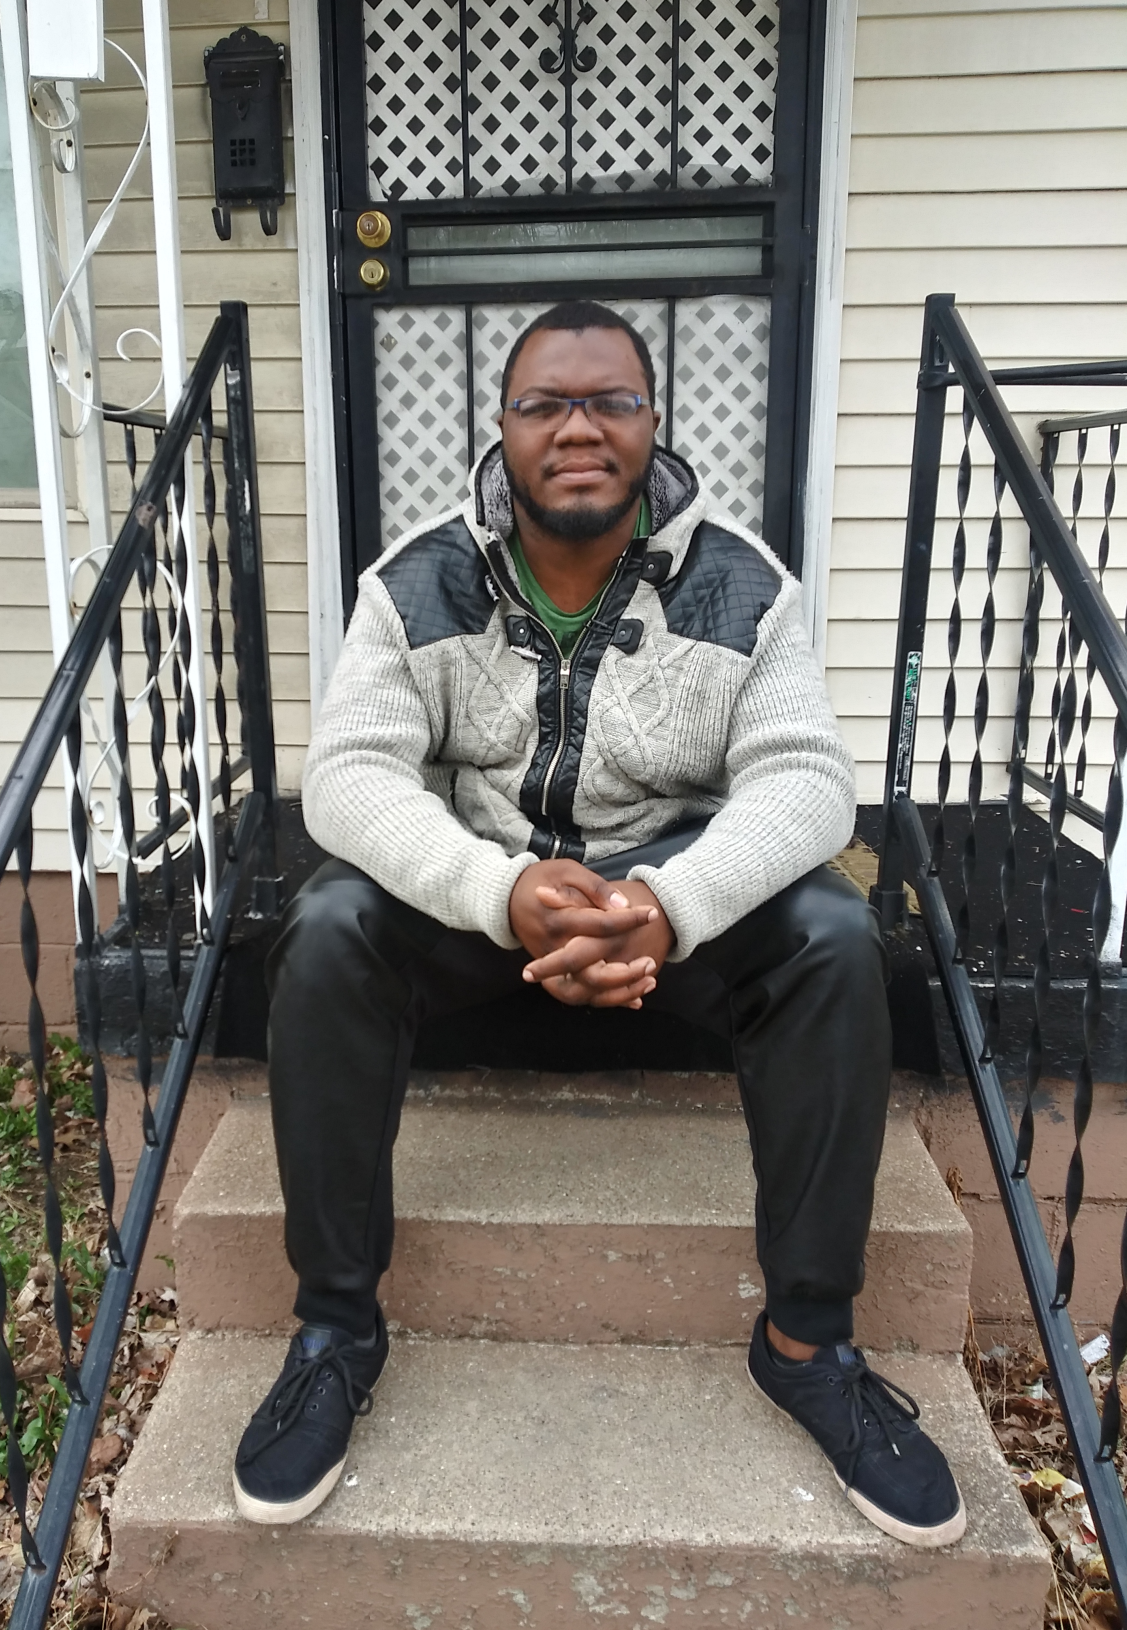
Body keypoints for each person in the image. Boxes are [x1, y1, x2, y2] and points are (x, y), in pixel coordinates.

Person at [231, 300, 965, 1549]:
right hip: (477, 904)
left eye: (609, 401)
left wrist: (667, 905)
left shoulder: (744, 584)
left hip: (660, 912)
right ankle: (334, 1331)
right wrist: (491, 888)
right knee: (327, 924)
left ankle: (806, 1341)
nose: (578, 427)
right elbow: (350, 773)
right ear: (502, 430)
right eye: (545, 404)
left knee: (837, 938)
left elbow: (804, 781)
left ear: (651, 424)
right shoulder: (414, 581)